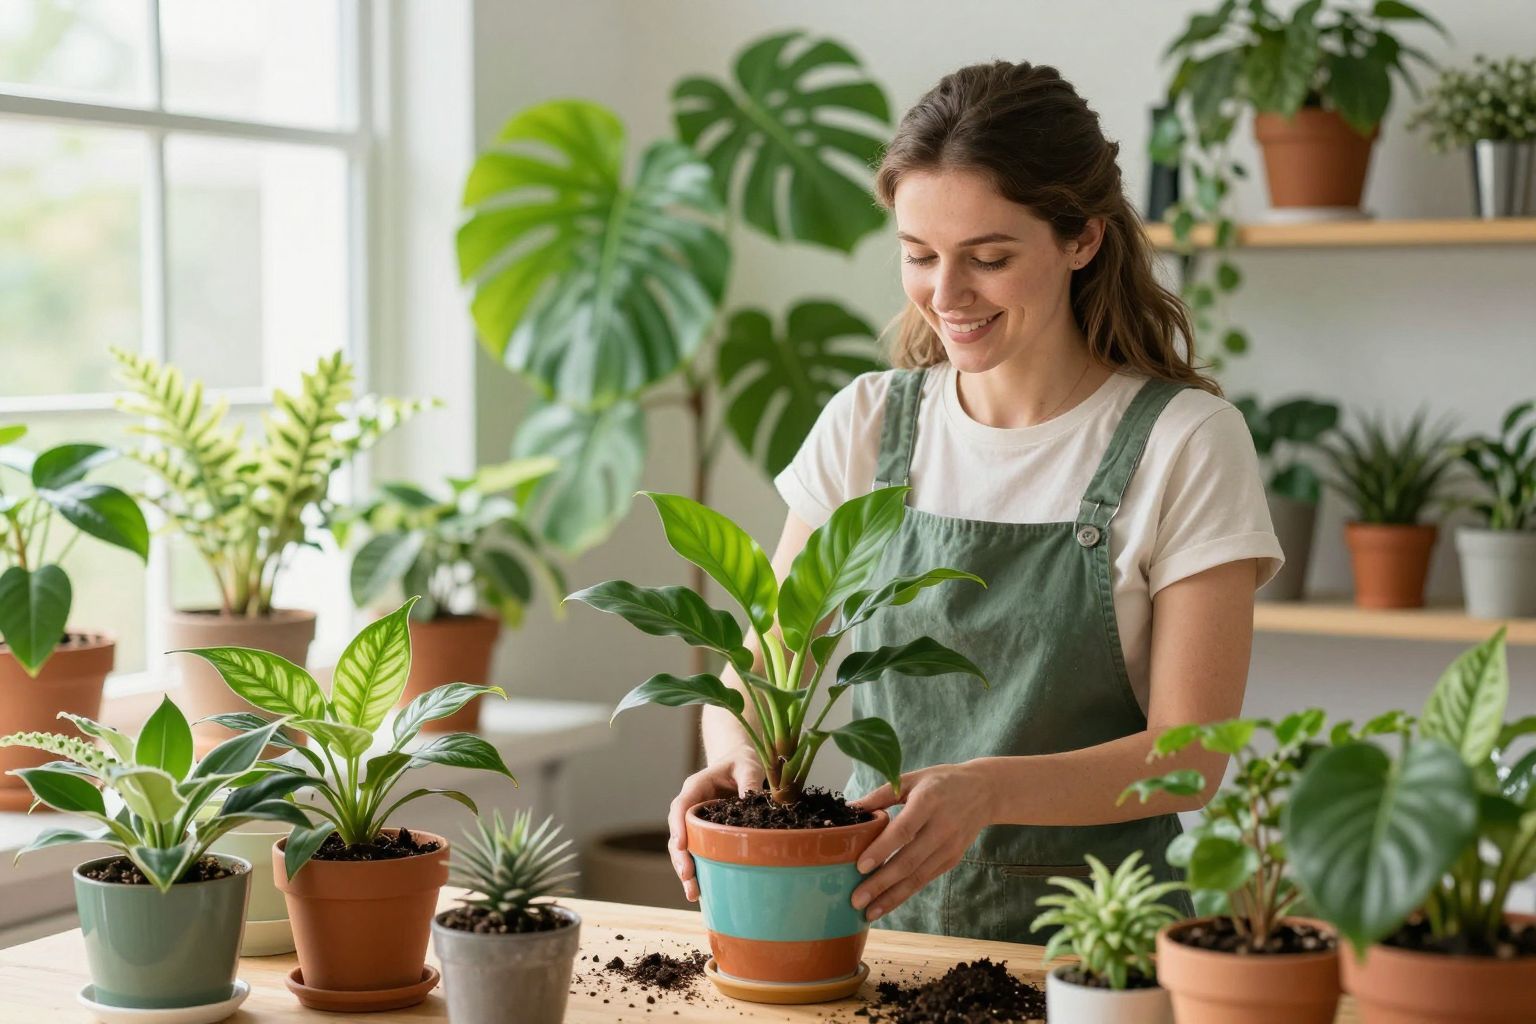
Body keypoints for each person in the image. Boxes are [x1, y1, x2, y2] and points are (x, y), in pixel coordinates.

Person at [666, 59, 1282, 943]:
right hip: (875, 932)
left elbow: (1188, 760)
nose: (946, 297)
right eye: (919, 256)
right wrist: (736, 767)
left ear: (1083, 240)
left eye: (988, 259)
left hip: (1096, 949)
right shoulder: (868, 425)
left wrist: (988, 791)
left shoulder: (1185, 441)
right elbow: (763, 663)